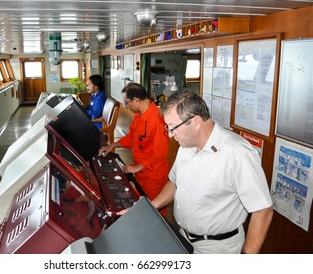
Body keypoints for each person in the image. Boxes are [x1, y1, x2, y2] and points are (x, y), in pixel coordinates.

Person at [149, 90, 273, 254]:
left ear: (195, 122)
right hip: (183, 238)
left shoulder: (237, 153)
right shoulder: (186, 146)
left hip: (218, 248)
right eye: (168, 127)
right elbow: (175, 182)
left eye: (173, 128)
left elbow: (263, 209)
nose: (170, 135)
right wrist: (150, 207)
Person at [99, 82, 169, 217]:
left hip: (153, 175)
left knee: (156, 211)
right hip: (140, 172)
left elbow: (159, 155)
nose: (127, 106)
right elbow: (132, 137)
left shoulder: (158, 120)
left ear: (136, 100)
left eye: (127, 103)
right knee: (142, 205)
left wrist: (137, 167)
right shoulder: (138, 114)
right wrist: (113, 146)